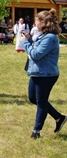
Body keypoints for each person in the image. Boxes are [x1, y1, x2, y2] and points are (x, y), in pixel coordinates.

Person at [20, 9, 66, 139]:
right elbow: (35, 49)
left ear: (44, 22)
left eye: (36, 21)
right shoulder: (43, 36)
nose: (34, 23)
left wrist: (24, 42)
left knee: (41, 102)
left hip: (47, 74)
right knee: (33, 98)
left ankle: (36, 131)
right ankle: (59, 117)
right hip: (37, 72)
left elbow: (36, 54)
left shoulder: (50, 38)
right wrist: (29, 40)